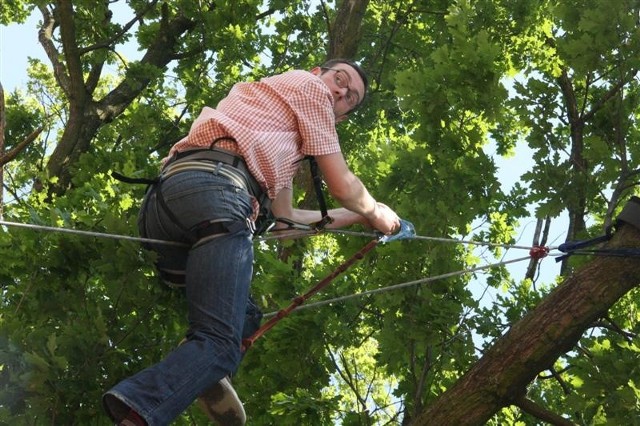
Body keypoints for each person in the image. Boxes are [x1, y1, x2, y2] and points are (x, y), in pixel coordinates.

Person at [103, 58, 401, 425]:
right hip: (218, 192)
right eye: (339, 81)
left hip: (169, 210)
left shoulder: (280, 135)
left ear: (341, 117)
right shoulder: (306, 87)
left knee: (244, 314)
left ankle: (205, 366)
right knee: (220, 343)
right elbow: (343, 185)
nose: (340, 93)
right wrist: (376, 212)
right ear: (316, 74)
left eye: (348, 99)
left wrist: (359, 216)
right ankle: (145, 403)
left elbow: (286, 221)